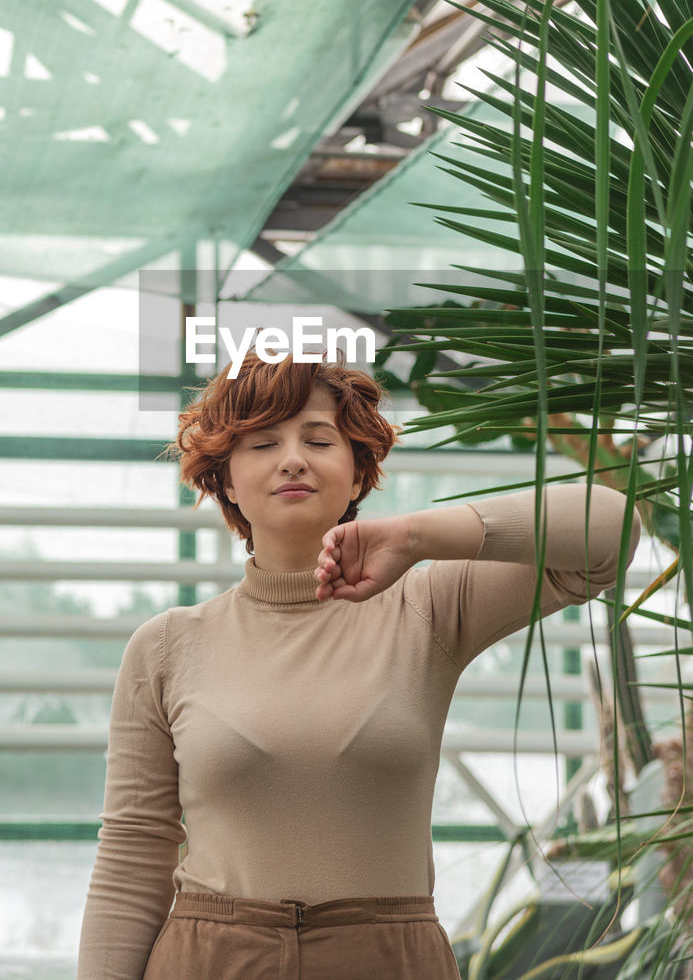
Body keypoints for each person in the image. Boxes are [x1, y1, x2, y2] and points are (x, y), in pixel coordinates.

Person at [76, 350, 640, 980]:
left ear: (356, 472)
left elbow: (611, 532)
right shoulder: (166, 646)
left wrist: (418, 537)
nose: (293, 457)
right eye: (263, 443)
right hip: (211, 961)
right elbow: (132, 856)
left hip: (388, 961)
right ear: (226, 481)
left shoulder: (426, 607)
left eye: (319, 439)